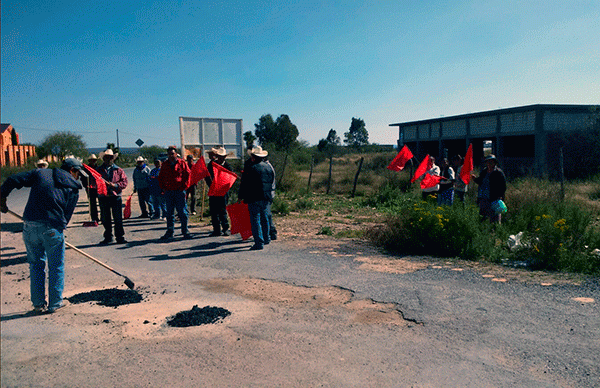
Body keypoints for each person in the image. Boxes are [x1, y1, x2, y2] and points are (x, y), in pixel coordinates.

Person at [0, 158, 84, 314]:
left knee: (36, 265)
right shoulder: (73, 188)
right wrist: (58, 229)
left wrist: (2, 197)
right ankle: (55, 304)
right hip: (52, 228)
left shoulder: (41, 173)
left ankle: (38, 304)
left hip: (29, 226)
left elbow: (12, 179)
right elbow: (67, 216)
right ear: (72, 170)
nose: (78, 177)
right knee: (56, 266)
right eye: (78, 173)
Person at [238, 146, 274, 250]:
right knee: (265, 217)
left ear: (253, 157)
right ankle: (266, 238)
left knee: (255, 219)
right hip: (265, 196)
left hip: (254, 197)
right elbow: (271, 181)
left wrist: (240, 197)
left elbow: (244, 184)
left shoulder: (251, 168)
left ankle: (259, 242)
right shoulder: (268, 167)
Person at [158, 146, 191, 240]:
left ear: (176, 154)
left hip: (179, 191)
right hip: (169, 192)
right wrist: (163, 188)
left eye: (172, 153)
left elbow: (188, 175)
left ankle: (185, 231)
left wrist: (184, 187)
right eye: (169, 154)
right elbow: (161, 177)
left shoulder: (182, 163)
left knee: (183, 212)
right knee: (169, 213)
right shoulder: (164, 164)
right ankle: (170, 231)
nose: (171, 155)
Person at [97, 149, 128, 244]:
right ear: (103, 158)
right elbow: (95, 182)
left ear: (113, 159)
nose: (108, 159)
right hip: (103, 197)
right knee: (105, 218)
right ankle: (108, 236)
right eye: (106, 157)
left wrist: (115, 185)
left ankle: (119, 237)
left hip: (115, 196)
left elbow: (124, 182)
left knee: (118, 218)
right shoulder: (98, 170)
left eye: (110, 157)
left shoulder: (119, 170)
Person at [205, 146, 232, 236]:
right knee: (213, 211)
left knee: (222, 210)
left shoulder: (228, 166)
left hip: (223, 192)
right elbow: (207, 176)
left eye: (223, 156)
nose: (221, 158)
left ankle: (225, 228)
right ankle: (216, 230)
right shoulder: (211, 164)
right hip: (213, 191)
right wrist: (212, 185)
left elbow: (230, 178)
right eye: (220, 156)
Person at [473, 154, 507, 223]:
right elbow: (480, 181)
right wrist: (474, 179)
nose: (489, 164)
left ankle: (495, 232)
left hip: (494, 199)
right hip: (483, 198)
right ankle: (483, 232)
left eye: (491, 162)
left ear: (495, 163)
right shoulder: (484, 171)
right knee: (482, 218)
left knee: (495, 219)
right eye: (487, 162)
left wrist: (499, 196)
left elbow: (503, 186)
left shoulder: (498, 172)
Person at [264, 157, 278, 241]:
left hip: (268, 193)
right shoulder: (268, 166)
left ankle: (272, 232)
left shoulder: (267, 167)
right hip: (269, 193)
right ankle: (270, 232)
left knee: (267, 214)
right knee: (267, 213)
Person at [85, 154, 101, 223]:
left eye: (94, 160)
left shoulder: (99, 168)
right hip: (90, 187)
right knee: (92, 204)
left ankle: (103, 217)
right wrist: (86, 185)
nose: (93, 161)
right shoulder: (86, 169)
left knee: (101, 203)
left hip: (98, 187)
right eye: (91, 160)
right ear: (89, 161)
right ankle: (94, 218)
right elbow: (83, 178)